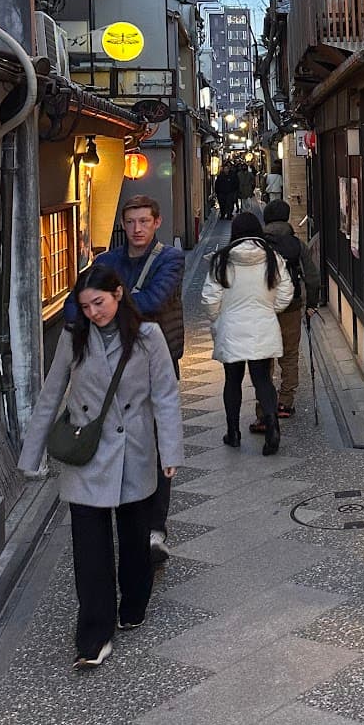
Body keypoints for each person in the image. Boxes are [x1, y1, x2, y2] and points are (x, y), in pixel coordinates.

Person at [20, 262, 183, 669]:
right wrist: (31, 454)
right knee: (89, 549)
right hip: (87, 452)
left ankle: (134, 604)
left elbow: (165, 396)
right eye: (85, 306)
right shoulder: (73, 337)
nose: (93, 312)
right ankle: (94, 636)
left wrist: (170, 452)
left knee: (134, 539)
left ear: (118, 294)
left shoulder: (148, 337)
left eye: (99, 302)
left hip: (134, 450)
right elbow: (51, 394)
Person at [63, 195, 184, 567]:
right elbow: (73, 305)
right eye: (130, 222)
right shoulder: (108, 262)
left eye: (144, 221)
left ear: (157, 222)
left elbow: (155, 300)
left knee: (154, 445)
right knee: (112, 438)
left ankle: (154, 529)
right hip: (104, 365)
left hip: (153, 361)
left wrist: (107, 306)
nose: (136, 229)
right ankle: (117, 511)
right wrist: (104, 303)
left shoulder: (169, 259)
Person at [202, 211, 294, 454]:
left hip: (231, 327)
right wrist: (269, 310)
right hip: (262, 326)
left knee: (232, 380)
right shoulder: (272, 257)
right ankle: (272, 426)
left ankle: (233, 432)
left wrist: (220, 319)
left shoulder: (221, 260)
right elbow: (286, 291)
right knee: (262, 378)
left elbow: (210, 298)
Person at [262, 198, 321, 421]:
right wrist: (312, 304)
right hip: (291, 307)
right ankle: (285, 402)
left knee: (264, 357)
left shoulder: (259, 245)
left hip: (264, 308)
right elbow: (313, 277)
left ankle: (264, 407)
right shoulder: (297, 245)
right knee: (289, 355)